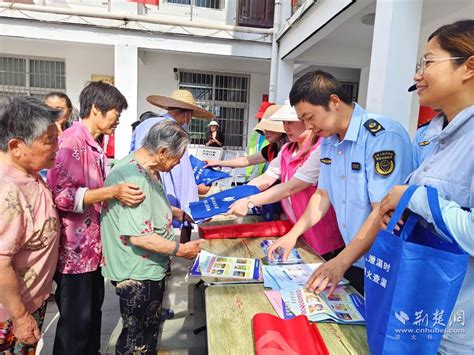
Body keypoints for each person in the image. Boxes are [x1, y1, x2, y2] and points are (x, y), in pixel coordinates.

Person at [268, 70, 413, 294]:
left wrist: (340, 262)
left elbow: (382, 210)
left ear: (334, 101)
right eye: (303, 120)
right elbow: (322, 195)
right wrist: (292, 235)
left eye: (310, 117)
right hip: (353, 257)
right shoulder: (329, 140)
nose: (308, 126)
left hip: (383, 261)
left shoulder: (381, 136)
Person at [379, 20, 473, 353]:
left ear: (469, 67)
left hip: (457, 335)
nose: (418, 75)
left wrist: (414, 197)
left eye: (428, 62)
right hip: (421, 314)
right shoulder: (438, 137)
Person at [47, 81, 146, 355]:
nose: (117, 120)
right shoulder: (71, 142)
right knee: (74, 327)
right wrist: (111, 192)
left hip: (91, 253)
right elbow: (62, 196)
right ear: (96, 108)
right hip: (73, 254)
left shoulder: (94, 144)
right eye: (115, 113)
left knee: (91, 321)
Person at [101, 120, 201, 354]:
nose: (177, 164)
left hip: (146, 268)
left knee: (146, 331)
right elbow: (140, 238)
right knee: (136, 338)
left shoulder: (146, 169)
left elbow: (148, 208)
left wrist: (176, 212)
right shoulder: (134, 178)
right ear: (163, 152)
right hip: (137, 272)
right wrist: (182, 250)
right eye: (178, 158)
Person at [228, 102, 344, 259]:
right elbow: (267, 178)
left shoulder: (320, 150)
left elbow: (291, 187)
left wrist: (249, 201)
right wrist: (232, 198)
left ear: (306, 121)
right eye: (283, 123)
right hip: (296, 229)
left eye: (290, 122)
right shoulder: (287, 150)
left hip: (321, 233)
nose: (286, 128)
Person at [0, 96, 60, 353]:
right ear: (16, 147)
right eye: (49, 141)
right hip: (11, 313)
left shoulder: (28, 173)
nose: (57, 147)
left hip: (29, 301)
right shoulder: (8, 190)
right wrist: (21, 317)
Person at [130, 89, 215, 243]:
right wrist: (192, 207)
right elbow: (183, 176)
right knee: (164, 227)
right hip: (163, 191)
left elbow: (132, 152)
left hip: (139, 182)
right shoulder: (174, 131)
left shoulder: (144, 125)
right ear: (187, 114)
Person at [205, 105, 287, 168]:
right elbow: (245, 160)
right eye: (264, 128)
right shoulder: (271, 149)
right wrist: (218, 163)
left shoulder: (291, 150)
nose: (264, 132)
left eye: (269, 128)